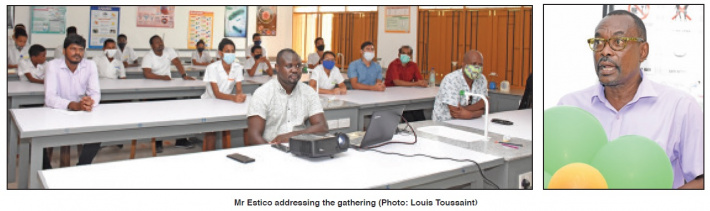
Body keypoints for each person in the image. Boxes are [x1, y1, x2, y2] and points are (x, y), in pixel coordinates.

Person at [557, 10, 702, 189]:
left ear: (643, 51)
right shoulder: (570, 108)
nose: (605, 51)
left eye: (618, 42)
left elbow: (701, 180)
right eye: (598, 42)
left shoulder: (680, 107)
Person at [43, 34, 101, 169]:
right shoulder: (52, 66)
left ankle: (81, 167)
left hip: (80, 113)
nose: (77, 53)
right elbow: (50, 98)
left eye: (81, 50)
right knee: (36, 139)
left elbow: (95, 93)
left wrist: (89, 102)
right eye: (73, 49)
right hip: (55, 111)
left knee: (98, 133)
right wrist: (73, 105)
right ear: (64, 51)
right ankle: (47, 172)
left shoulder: (90, 65)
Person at [247, 48, 328, 144]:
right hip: (270, 150)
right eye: (289, 66)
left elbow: (322, 127)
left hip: (301, 149)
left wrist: (293, 135)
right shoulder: (262, 93)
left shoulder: (309, 92)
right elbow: (253, 137)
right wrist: (273, 155)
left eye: (298, 66)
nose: (295, 70)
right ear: (277, 67)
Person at [141, 35, 196, 152]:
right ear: (152, 46)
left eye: (161, 41)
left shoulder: (169, 51)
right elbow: (147, 74)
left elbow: (177, 62)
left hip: (168, 87)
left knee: (176, 112)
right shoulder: (148, 56)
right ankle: (157, 143)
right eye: (157, 42)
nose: (160, 44)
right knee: (156, 116)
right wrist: (162, 78)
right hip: (153, 90)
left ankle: (180, 140)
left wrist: (184, 75)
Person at [201, 38, 247, 150]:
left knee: (240, 126)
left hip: (227, 102)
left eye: (232, 51)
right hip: (210, 102)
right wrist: (234, 97)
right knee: (211, 132)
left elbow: (239, 88)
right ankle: (209, 157)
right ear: (220, 53)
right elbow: (216, 93)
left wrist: (240, 96)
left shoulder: (237, 67)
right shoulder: (212, 68)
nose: (230, 54)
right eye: (227, 51)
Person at [433, 50, 488, 121]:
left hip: (471, 122)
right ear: (463, 64)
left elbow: (484, 105)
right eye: (474, 64)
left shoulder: (482, 79)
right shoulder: (451, 79)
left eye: (480, 65)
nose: (477, 67)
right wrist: (476, 111)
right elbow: (454, 112)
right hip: (445, 123)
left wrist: (469, 114)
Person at [385, 45, 428, 122]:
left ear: (411, 56)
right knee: (409, 116)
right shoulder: (394, 64)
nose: (406, 55)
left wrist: (423, 83)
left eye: (408, 53)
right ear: (399, 54)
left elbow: (420, 80)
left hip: (408, 95)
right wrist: (416, 84)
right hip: (393, 96)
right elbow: (397, 82)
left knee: (419, 113)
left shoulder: (413, 65)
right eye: (403, 53)